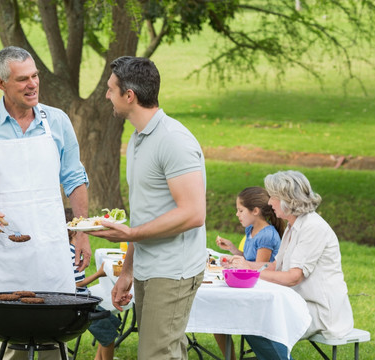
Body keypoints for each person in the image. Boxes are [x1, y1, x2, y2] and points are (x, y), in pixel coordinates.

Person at [0, 46, 89, 360]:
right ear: (1, 83)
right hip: (5, 252)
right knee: (11, 330)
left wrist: (82, 232)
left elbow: (75, 179)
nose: (32, 85)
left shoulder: (57, 122)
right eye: (22, 80)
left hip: (51, 249)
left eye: (35, 76)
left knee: (53, 332)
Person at [90, 56, 207, 360]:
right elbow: (147, 211)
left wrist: (132, 232)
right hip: (148, 267)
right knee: (163, 352)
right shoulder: (138, 138)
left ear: (130, 96)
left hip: (173, 271)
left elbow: (194, 213)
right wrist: (128, 270)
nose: (106, 95)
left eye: (111, 89)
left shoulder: (173, 141)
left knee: (157, 355)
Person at [229, 170, 354, 360]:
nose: (269, 202)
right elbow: (274, 266)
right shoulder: (293, 225)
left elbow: (293, 277)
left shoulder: (312, 227)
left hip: (320, 311)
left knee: (254, 320)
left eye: (273, 197)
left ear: (288, 199)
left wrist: (250, 273)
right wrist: (244, 265)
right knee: (247, 315)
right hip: (296, 302)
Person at [214, 186, 284, 359]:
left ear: (255, 211)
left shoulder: (266, 234)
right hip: (249, 284)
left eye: (240, 210)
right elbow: (249, 259)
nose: (237, 214)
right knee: (218, 314)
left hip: (260, 289)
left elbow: (260, 268)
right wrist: (233, 250)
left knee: (222, 312)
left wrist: (240, 264)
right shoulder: (250, 230)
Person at [65, 209, 121, 360]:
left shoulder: (71, 250)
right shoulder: (71, 253)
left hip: (84, 300)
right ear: (73, 231)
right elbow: (77, 284)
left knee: (113, 323)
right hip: (80, 305)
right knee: (108, 337)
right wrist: (99, 273)